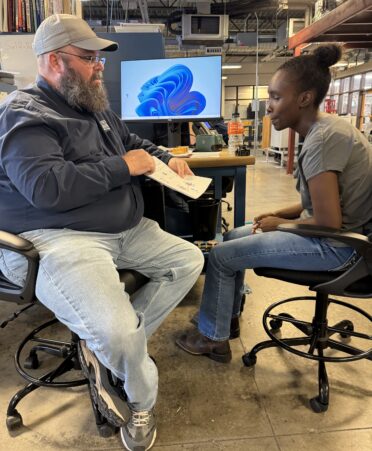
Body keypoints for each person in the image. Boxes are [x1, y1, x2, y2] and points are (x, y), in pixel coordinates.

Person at [0, 14, 204, 451]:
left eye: (99, 59)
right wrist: (122, 168)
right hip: (61, 236)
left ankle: (113, 352)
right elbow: (47, 188)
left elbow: (134, 146)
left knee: (188, 259)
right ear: (55, 60)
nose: (100, 67)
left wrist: (166, 157)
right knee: (116, 333)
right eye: (90, 58)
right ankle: (138, 396)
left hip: (124, 230)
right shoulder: (24, 115)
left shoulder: (94, 108)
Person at [176, 44, 372, 363]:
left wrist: (280, 225)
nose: (268, 107)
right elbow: (322, 202)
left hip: (341, 247)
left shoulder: (322, 140)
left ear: (305, 99)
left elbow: (329, 221)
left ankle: (212, 338)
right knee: (234, 236)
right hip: (341, 237)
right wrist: (280, 213)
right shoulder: (327, 130)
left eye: (277, 97)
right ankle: (225, 319)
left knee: (222, 255)